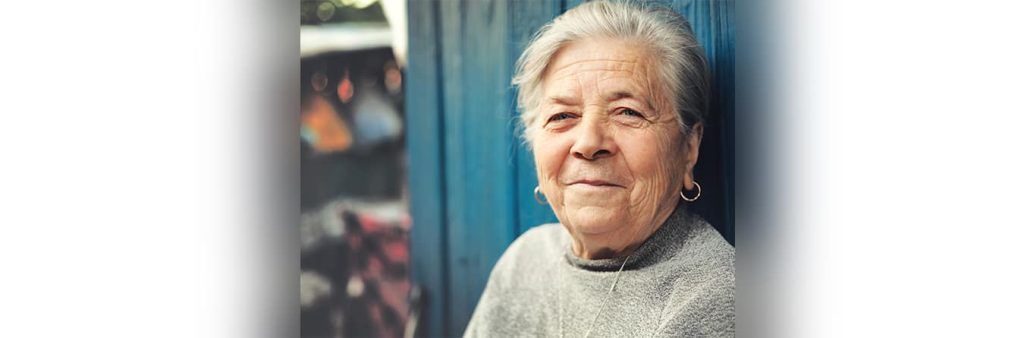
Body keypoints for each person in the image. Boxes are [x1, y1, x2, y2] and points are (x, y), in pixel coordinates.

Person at [464, 1, 735, 336]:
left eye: (628, 112)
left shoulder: (714, 300)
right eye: (562, 116)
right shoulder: (525, 261)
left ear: (688, 148)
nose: (588, 143)